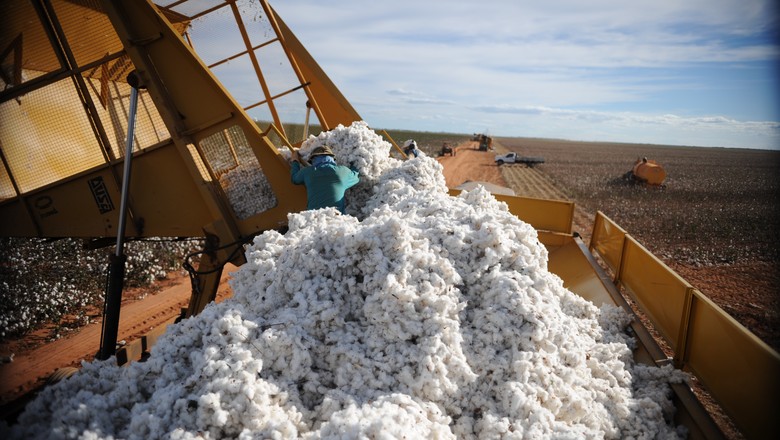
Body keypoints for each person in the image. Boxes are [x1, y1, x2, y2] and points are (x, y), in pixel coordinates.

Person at [290, 145, 359, 213]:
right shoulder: (343, 171)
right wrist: (353, 161)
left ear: (312, 160)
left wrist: (295, 161)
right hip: (337, 219)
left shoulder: (307, 172)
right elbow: (356, 175)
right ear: (332, 158)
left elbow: (294, 179)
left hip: (314, 218)